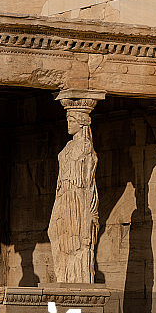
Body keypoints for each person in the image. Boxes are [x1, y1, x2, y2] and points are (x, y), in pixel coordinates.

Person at [48, 107, 98, 283]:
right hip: (63, 194)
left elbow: (87, 183)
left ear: (82, 123)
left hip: (77, 197)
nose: (69, 125)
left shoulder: (85, 147)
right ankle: (64, 276)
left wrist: (88, 214)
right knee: (53, 232)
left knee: (76, 240)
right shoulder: (69, 146)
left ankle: (77, 279)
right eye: (68, 120)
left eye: (72, 121)